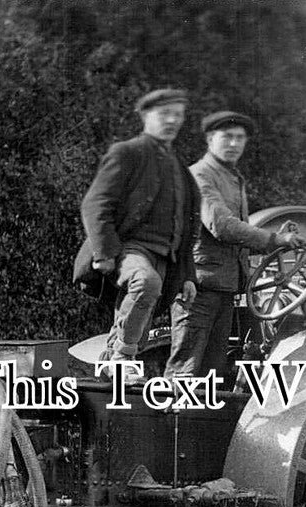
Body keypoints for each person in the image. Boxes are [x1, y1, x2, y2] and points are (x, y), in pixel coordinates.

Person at [164, 110, 306, 379]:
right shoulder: (199, 176)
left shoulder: (231, 179)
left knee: (212, 372)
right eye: (227, 136)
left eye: (240, 138)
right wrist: (274, 240)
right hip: (197, 287)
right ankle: (176, 419)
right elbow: (222, 226)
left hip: (225, 288)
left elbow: (236, 240)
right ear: (209, 138)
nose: (234, 144)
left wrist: (278, 241)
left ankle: (200, 419)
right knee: (185, 368)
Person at [72, 88, 201, 372]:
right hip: (129, 247)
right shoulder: (127, 152)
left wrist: (188, 276)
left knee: (145, 309)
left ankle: (115, 363)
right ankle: (121, 356)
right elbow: (95, 203)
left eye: (177, 115)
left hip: (167, 256)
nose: (171, 121)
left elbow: (189, 228)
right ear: (145, 116)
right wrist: (104, 252)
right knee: (146, 282)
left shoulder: (180, 168)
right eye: (164, 114)